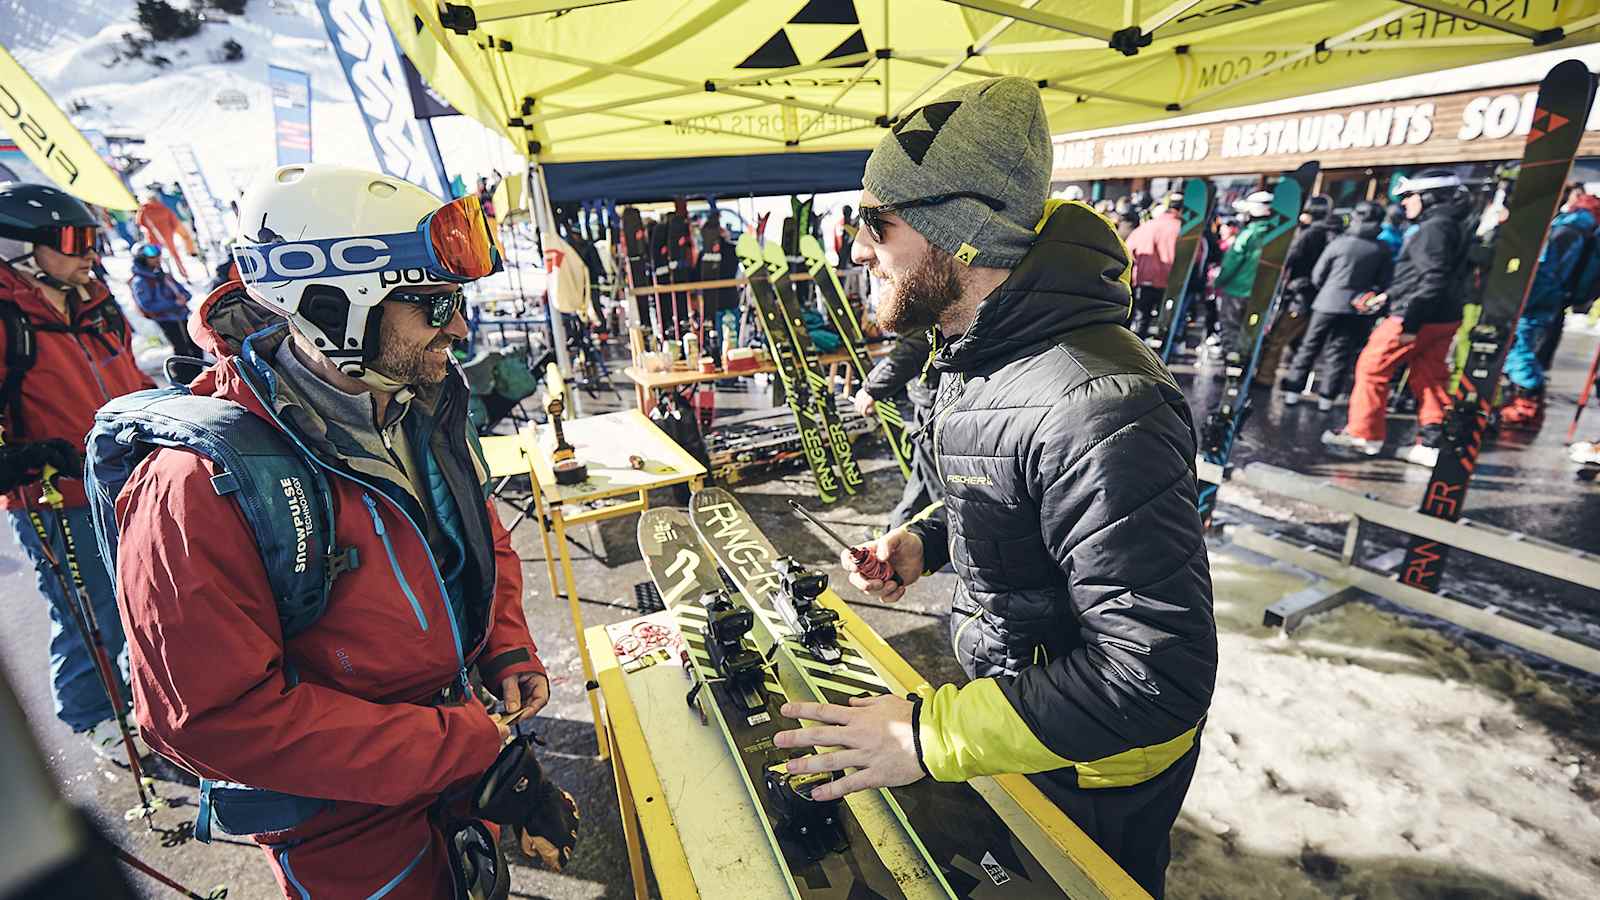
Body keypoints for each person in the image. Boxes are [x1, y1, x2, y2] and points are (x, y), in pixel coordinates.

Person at [773, 78, 1216, 898]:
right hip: (1018, 714)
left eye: (878, 223)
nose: (857, 249)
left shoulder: (1100, 404)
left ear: (963, 235)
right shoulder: (979, 350)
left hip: (1098, 766)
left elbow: (1154, 673)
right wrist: (925, 538)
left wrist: (924, 733)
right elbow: (1018, 494)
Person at [106, 165, 564, 898]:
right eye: (433, 303)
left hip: (446, 767)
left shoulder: (414, 404)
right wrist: (457, 745)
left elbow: (477, 537)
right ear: (334, 307)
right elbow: (210, 720)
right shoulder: (193, 487)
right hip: (345, 831)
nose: (459, 326)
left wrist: (504, 642)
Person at [0, 183, 153, 759]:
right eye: (73, 240)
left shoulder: (95, 301)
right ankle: (92, 713)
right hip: (55, 497)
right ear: (19, 246)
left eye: (92, 238)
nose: (90, 253)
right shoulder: (7, 319)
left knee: (144, 597)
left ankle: (139, 695)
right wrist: (26, 457)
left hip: (124, 481)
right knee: (92, 611)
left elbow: (127, 374)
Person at [1323, 169, 1474, 465]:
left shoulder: (1433, 228)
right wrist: (1389, 296)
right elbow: (1427, 275)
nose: (1404, 203)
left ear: (1429, 197)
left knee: (1371, 368)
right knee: (1430, 378)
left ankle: (1364, 433)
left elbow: (1432, 278)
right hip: (1444, 315)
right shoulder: (1453, 224)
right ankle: (1431, 443)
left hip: (1415, 315)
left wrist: (1410, 324)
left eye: (1409, 196)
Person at [1499, 190, 1600, 428]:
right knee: (1523, 347)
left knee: (1519, 348)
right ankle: (1526, 402)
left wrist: (1526, 295)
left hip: (1542, 296)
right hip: (1555, 297)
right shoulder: (1586, 231)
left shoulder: (1569, 229)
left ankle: (1526, 405)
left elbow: (1550, 269)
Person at [1279, 201, 1393, 410]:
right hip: (1356, 307)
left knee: (1309, 347)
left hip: (1327, 302)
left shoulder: (1340, 243)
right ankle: (1327, 398)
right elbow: (1384, 281)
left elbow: (1318, 274)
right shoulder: (1382, 248)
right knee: (1339, 352)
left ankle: (1293, 391)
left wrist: (1328, 289)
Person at [852, 328, 940, 529]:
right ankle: (898, 530)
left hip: (938, 402)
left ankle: (922, 536)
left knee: (934, 482)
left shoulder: (928, 302)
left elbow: (920, 342)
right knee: (923, 479)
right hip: (933, 398)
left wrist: (873, 387)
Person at [1258, 194, 1341, 388]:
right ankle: (1298, 382)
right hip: (1318, 297)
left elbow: (1289, 258)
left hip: (1300, 294)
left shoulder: (1310, 233)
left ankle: (1265, 377)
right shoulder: (1334, 234)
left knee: (1278, 338)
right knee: (1301, 344)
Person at [1210, 190, 1275, 359]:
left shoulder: (1247, 235)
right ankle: (1246, 361)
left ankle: (1232, 364)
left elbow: (1231, 263)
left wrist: (1218, 282)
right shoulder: (1277, 235)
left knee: (1231, 328)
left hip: (1237, 291)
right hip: (1262, 293)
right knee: (1251, 329)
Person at [1124, 192, 1182, 338]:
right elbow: (1196, 256)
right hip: (1171, 282)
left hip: (1144, 280)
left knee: (1141, 318)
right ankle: (1165, 349)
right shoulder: (1182, 229)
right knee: (1167, 320)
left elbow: (1127, 251)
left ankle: (1137, 351)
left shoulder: (1146, 227)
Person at [127, 243, 200, 358]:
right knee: (182, 350)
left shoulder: (162, 274)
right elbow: (147, 305)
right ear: (142, 259)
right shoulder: (140, 281)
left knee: (196, 347)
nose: (157, 259)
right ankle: (185, 375)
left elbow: (184, 291)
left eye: (158, 255)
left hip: (181, 316)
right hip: (166, 320)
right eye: (152, 257)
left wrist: (184, 297)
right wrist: (173, 304)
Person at [135, 191, 193, 280]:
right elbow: (174, 222)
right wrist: (170, 230)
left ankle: (160, 274)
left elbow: (139, 222)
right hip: (167, 236)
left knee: (155, 257)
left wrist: (149, 229)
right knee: (174, 255)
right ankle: (183, 273)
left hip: (153, 238)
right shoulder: (163, 208)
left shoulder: (144, 210)